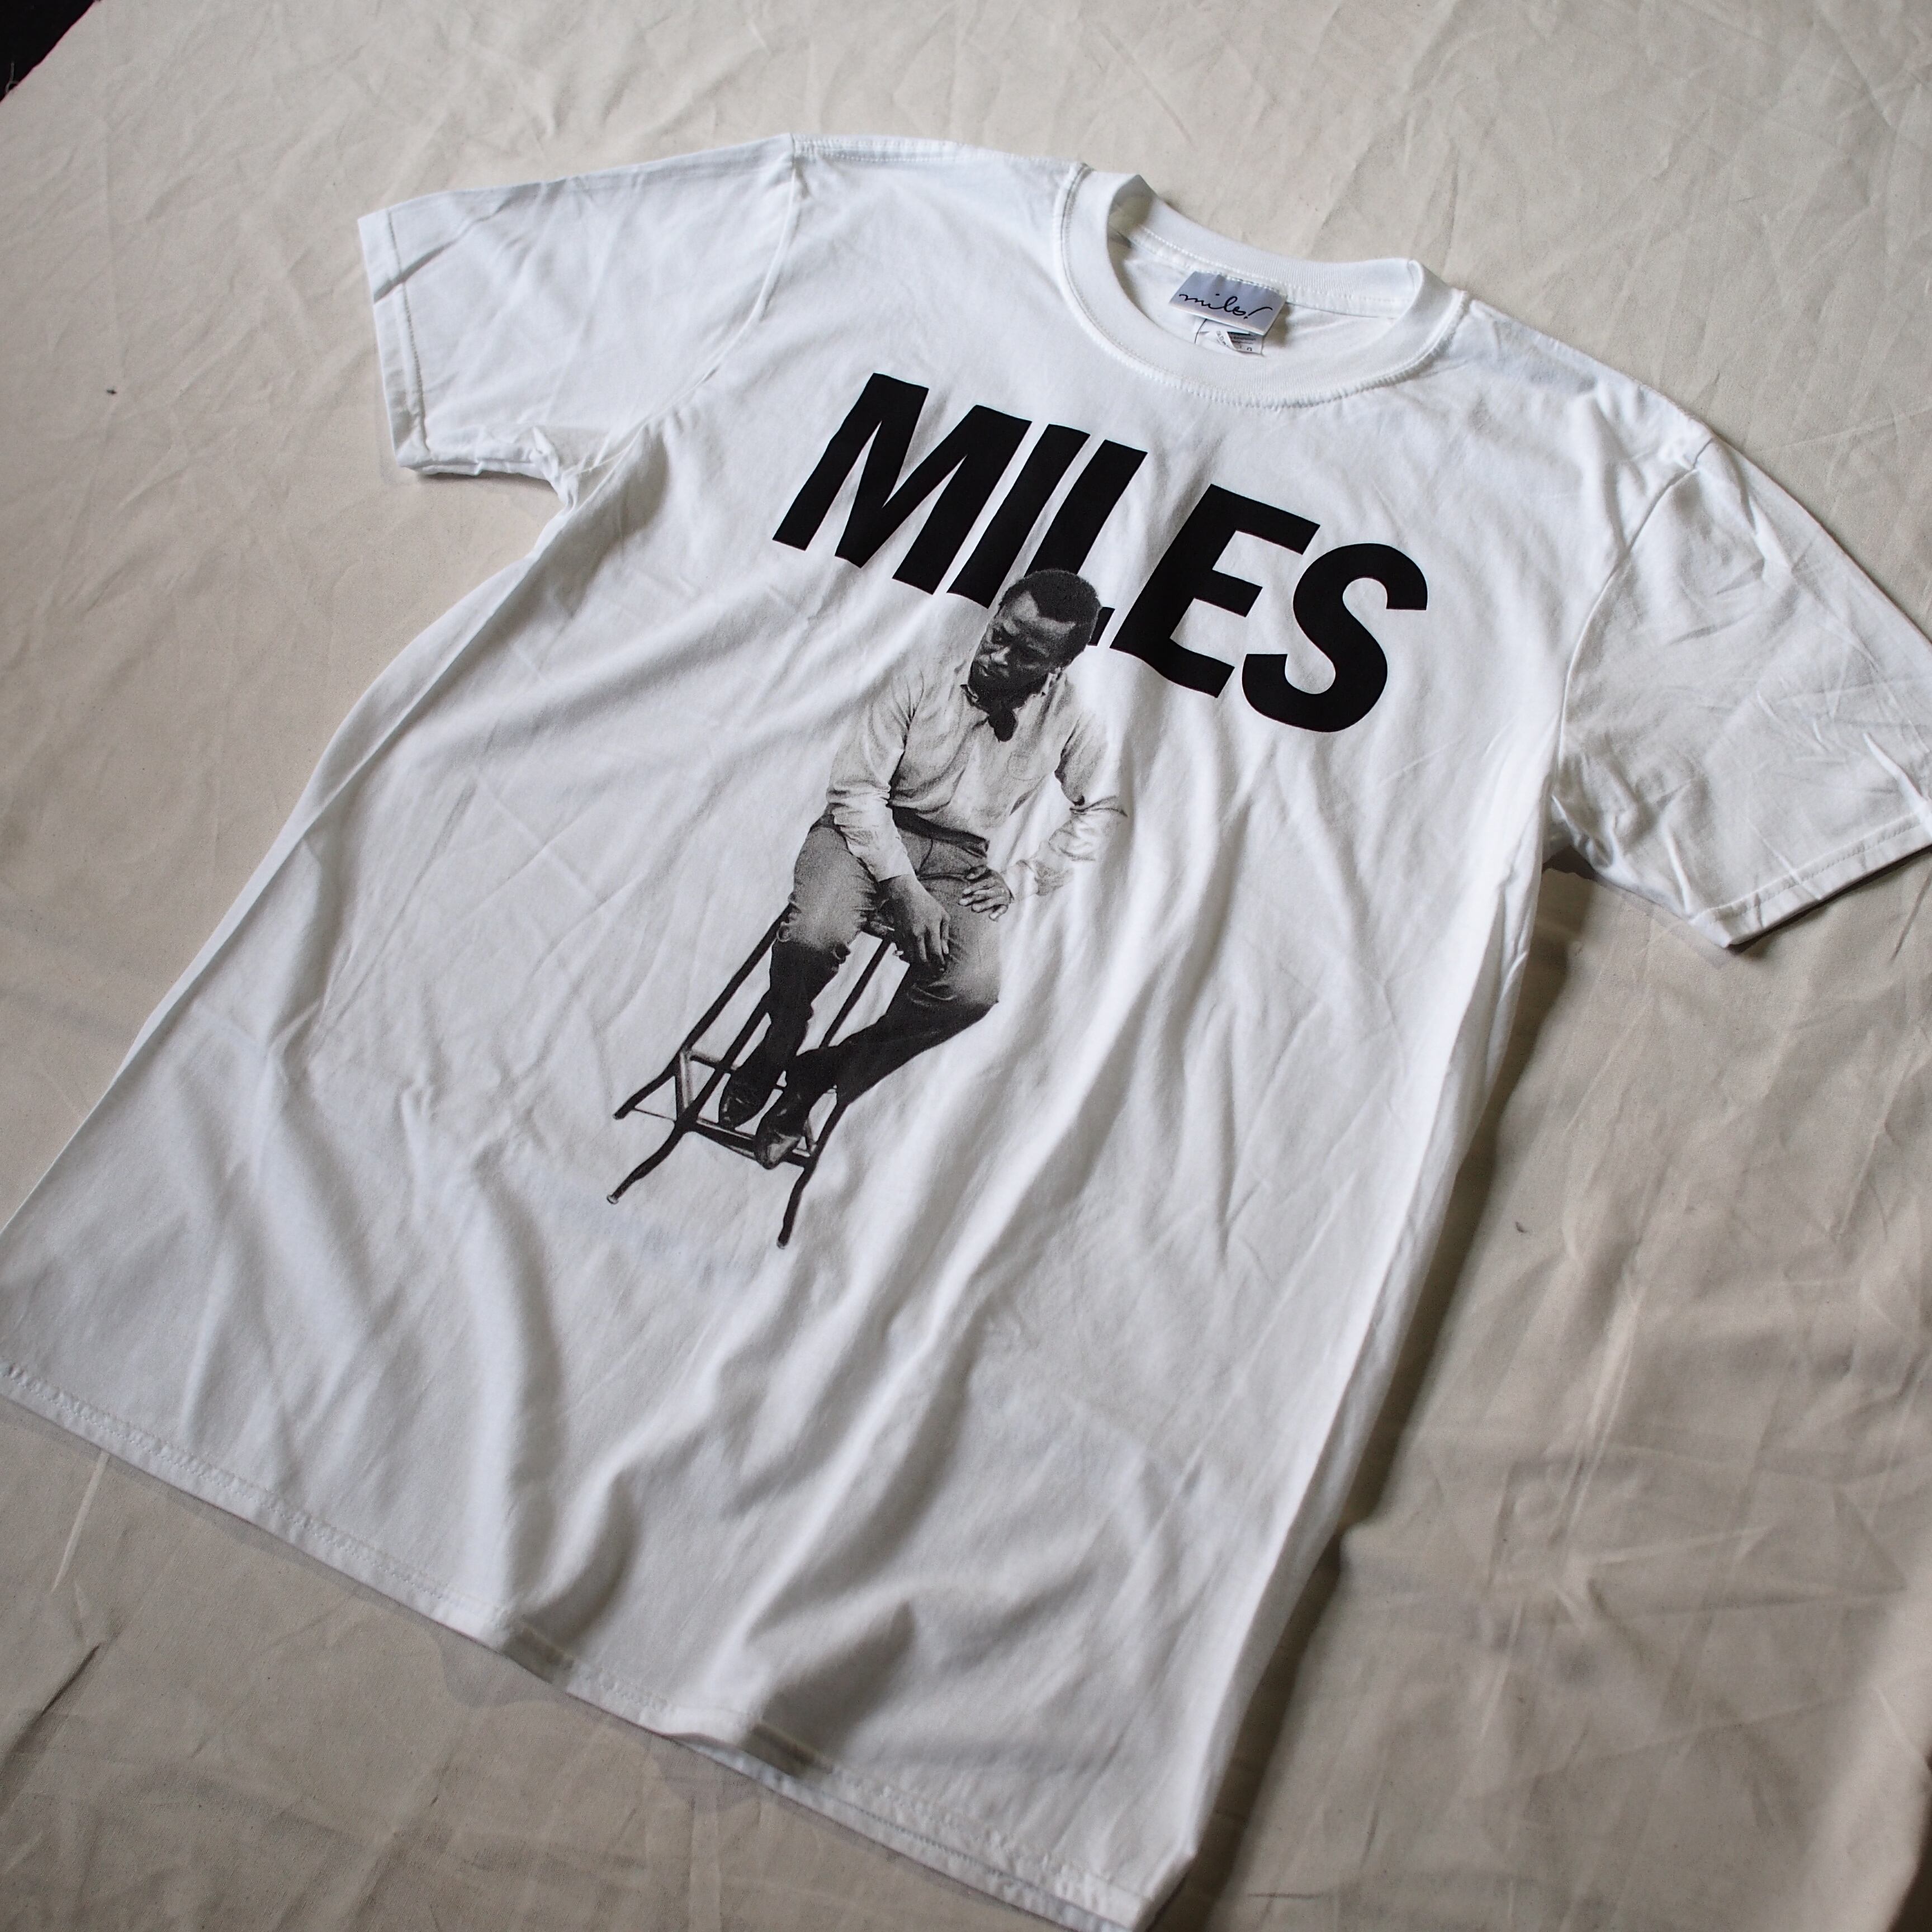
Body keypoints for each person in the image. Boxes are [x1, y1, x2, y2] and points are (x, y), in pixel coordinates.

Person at [718, 568, 1124, 1167]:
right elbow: (856, 789)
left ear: (1057, 667)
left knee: (971, 992)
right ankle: (779, 1040)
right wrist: (903, 889)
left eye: (1025, 655)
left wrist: (1023, 878)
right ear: (995, 614)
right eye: (1000, 634)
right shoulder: (923, 674)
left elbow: (1107, 808)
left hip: (961, 863)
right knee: (813, 937)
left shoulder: (1073, 718)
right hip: (864, 831)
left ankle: (824, 1071)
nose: (999, 656)